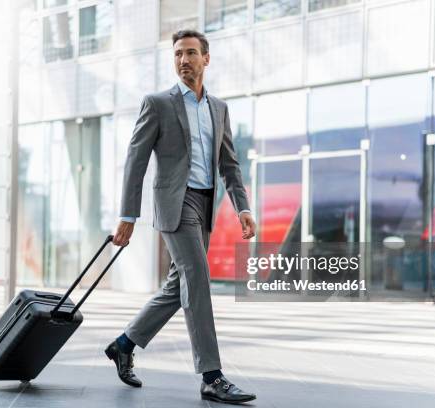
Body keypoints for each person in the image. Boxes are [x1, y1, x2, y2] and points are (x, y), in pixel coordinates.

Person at [106, 29, 257, 404]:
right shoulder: (157, 103)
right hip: (175, 204)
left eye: (191, 53)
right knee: (198, 279)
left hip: (204, 205)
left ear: (206, 58)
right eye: (177, 54)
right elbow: (136, 161)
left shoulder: (218, 109)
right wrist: (128, 215)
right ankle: (212, 375)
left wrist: (243, 207)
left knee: (178, 286)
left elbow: (229, 165)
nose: (183, 60)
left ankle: (124, 345)